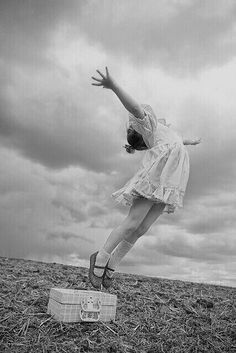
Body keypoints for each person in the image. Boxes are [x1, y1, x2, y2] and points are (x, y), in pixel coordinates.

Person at [89, 67, 201, 290]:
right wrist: (114, 87)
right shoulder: (147, 128)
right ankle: (100, 259)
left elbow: (177, 141)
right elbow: (135, 107)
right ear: (142, 130)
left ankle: (114, 262)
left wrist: (190, 141)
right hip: (155, 178)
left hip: (169, 182)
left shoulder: (164, 131)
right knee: (132, 223)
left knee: (142, 228)